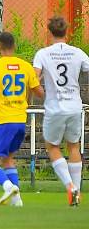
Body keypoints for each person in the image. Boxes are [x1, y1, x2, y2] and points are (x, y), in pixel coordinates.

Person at [0, 32, 43, 207]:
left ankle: (8, 186)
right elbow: (39, 92)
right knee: (8, 160)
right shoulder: (25, 66)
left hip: (2, 121)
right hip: (20, 121)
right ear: (14, 46)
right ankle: (17, 200)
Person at [33, 17, 89, 206]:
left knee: (52, 147)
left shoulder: (43, 54)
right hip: (74, 106)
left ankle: (70, 186)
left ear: (49, 33)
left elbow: (34, 79)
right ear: (67, 32)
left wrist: (41, 93)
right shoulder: (78, 53)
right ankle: (77, 192)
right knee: (74, 145)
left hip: (55, 107)